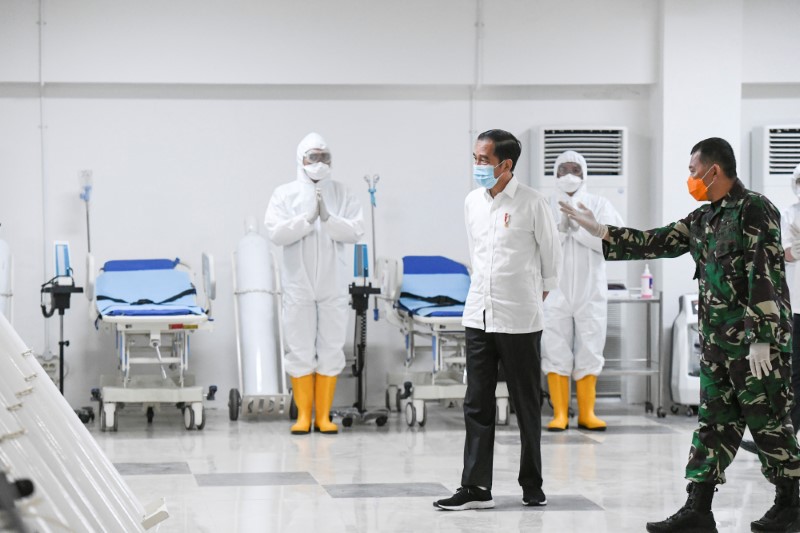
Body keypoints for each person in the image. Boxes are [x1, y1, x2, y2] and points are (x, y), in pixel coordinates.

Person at [561, 137, 800, 532]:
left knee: (769, 422)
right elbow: (654, 240)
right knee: (713, 424)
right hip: (718, 348)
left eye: (692, 171)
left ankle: (791, 504)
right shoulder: (703, 219)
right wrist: (601, 230)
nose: (690, 178)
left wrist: (762, 336)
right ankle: (699, 510)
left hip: (755, 346)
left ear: (714, 171)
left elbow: (766, 273)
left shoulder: (755, 209)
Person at [434, 129, 562, 511]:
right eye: (474, 157)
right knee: (476, 402)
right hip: (478, 314)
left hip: (520, 318)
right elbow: (477, 253)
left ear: (505, 164)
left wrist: (543, 288)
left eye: (483, 160)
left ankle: (532, 484)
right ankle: (475, 488)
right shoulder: (472, 202)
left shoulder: (532, 202)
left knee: (526, 404)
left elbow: (551, 255)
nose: (477, 165)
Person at [264, 132, 364, 435]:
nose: (319, 163)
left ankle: (324, 417)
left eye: (324, 157)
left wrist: (329, 219)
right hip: (298, 283)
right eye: (313, 157)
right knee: (299, 347)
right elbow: (276, 234)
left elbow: (355, 231)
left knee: (332, 346)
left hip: (332, 283)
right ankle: (303, 416)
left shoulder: (343, 193)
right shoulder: (284, 194)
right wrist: (305, 220)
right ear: (301, 159)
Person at [542, 150, 623, 432]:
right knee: (554, 347)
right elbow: (531, 246)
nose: (568, 175)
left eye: (574, 169)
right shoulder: (545, 205)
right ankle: (560, 413)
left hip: (590, 290)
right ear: (554, 174)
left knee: (591, 346)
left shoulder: (599, 204)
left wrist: (580, 229)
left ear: (584, 173)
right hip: (554, 290)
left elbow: (614, 242)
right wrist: (559, 230)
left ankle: (587, 413)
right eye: (562, 169)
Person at [741, 162, 800, 455]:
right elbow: (782, 255)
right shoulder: (787, 214)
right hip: (795, 307)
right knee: (791, 375)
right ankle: (779, 439)